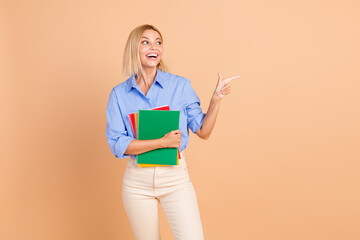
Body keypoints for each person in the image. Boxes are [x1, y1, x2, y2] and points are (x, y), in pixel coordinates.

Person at [105, 24, 240, 240]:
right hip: (137, 181)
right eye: (146, 42)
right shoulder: (119, 95)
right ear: (134, 48)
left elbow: (204, 131)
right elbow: (117, 145)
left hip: (175, 178)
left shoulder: (180, 86)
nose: (154, 47)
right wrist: (162, 142)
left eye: (158, 42)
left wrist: (215, 100)